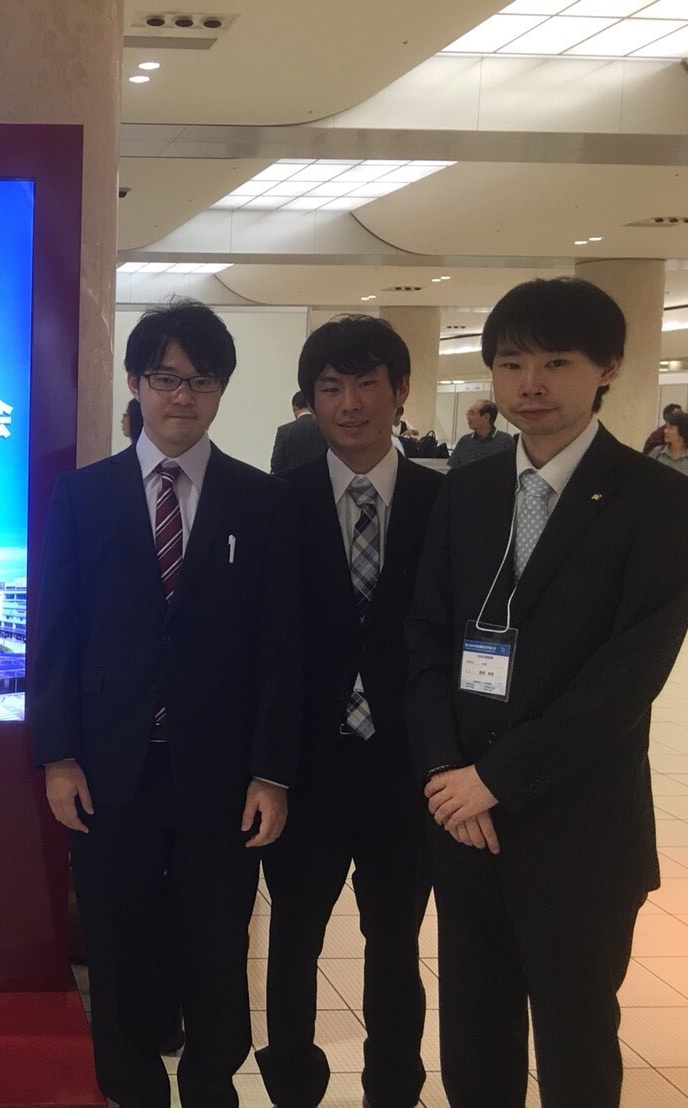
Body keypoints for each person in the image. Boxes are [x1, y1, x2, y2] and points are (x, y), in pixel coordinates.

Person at [405, 277, 688, 1108]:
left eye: (556, 362)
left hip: (579, 827)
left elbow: (627, 678)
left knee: (576, 1044)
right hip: (464, 822)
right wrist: (445, 772)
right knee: (475, 1039)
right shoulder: (467, 489)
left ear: (607, 368)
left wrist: (494, 778)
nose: (530, 384)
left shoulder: (658, 501)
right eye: (511, 364)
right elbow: (425, 637)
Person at [30, 298, 302, 1107]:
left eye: (201, 381)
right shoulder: (83, 496)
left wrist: (272, 771)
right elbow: (56, 635)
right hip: (110, 769)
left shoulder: (263, 502)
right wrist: (57, 755)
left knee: (216, 942)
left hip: (222, 775)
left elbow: (281, 649)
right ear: (135, 383)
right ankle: (131, 1086)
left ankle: (211, 1085)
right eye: (166, 378)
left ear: (220, 390)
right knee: (118, 942)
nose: (183, 396)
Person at [256, 316, 441, 1108]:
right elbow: (261, 644)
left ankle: (392, 1089)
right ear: (311, 401)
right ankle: (293, 1088)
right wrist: (264, 768)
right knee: (293, 941)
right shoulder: (277, 503)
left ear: (401, 392)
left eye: (367, 384)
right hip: (306, 768)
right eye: (331, 388)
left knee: (396, 943)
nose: (351, 403)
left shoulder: (447, 502)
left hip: (408, 770)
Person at [651, 410, 688, 496]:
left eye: (670, 428)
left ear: (683, 432)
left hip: (684, 501)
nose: (665, 431)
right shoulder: (657, 453)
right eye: (666, 427)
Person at [270, 389, 328, 474]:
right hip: (321, 478)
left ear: (294, 408)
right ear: (312, 406)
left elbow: (276, 464)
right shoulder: (325, 427)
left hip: (292, 480)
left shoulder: (284, 431)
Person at [447, 400, 514, 469]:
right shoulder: (464, 441)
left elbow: (512, 468)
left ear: (486, 417)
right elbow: (452, 468)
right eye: (468, 413)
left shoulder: (505, 441)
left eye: (472, 413)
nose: (468, 417)